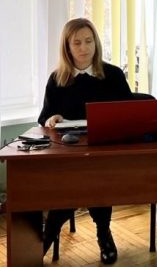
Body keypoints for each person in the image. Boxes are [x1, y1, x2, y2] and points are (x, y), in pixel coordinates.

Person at [38, 17, 132, 264]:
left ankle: (50, 234)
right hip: (68, 154)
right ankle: (104, 234)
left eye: (89, 41)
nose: (84, 48)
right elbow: (44, 118)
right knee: (79, 179)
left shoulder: (112, 75)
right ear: (67, 47)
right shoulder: (57, 79)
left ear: (96, 43)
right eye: (77, 43)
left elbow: (130, 113)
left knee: (91, 176)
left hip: (104, 152)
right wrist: (52, 118)